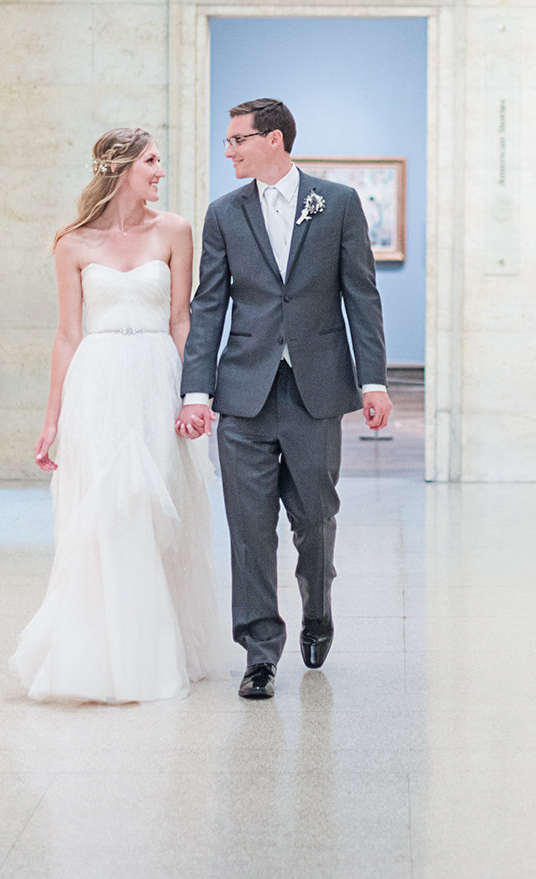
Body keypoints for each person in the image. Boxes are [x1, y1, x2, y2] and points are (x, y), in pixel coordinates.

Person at [178, 98, 390, 700]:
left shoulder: (338, 204)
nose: (229, 151)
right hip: (243, 391)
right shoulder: (224, 214)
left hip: (315, 389)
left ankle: (317, 608)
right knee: (249, 529)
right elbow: (209, 305)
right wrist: (197, 391)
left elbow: (361, 297)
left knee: (315, 518)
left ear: (273, 139)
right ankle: (260, 652)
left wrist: (371, 381)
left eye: (237, 140)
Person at [11, 127, 221, 703]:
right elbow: (66, 335)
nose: (160, 170)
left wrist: (195, 396)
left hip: (157, 378)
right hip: (97, 385)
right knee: (106, 511)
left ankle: (154, 652)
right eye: (152, 161)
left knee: (155, 513)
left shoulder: (175, 231)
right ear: (121, 167)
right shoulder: (72, 243)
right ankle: (97, 656)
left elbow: (183, 321)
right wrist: (51, 418)